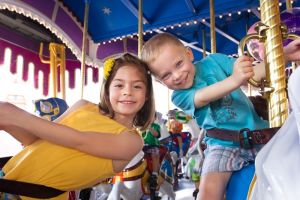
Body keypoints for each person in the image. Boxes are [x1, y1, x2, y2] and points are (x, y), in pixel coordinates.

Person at [141, 32, 300, 200]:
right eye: (166, 75)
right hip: (223, 146)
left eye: (179, 64)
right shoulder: (179, 96)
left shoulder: (214, 61)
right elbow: (203, 96)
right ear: (159, 81)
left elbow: (252, 74)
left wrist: (285, 55)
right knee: (207, 192)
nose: (177, 75)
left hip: (260, 135)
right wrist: (235, 79)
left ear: (188, 54)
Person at [0, 53, 155, 199]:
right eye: (119, 85)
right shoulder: (82, 106)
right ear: (107, 89)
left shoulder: (132, 141)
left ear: (147, 94)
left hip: (32, 196)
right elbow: (35, 140)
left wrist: (16, 115)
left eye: (137, 86)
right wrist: (8, 123)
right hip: (6, 177)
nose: (127, 92)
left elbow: (78, 141)